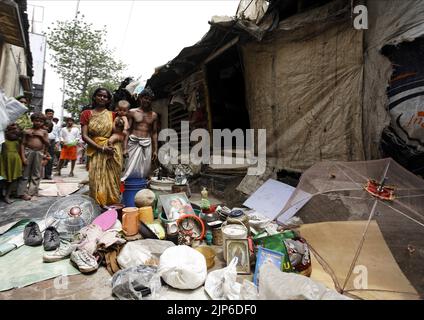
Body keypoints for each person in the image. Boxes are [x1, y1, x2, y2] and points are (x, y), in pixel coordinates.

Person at [80, 88, 123, 207]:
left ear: (108, 100)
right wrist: (101, 148)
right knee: (96, 179)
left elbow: (119, 134)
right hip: (95, 149)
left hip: (112, 150)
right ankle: (98, 206)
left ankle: (112, 206)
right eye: (99, 95)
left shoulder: (113, 115)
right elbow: (84, 136)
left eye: (105, 97)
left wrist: (111, 142)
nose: (102, 98)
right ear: (94, 97)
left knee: (112, 180)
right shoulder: (86, 113)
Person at [122, 87, 158, 180]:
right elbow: (127, 130)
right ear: (140, 98)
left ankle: (141, 189)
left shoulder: (154, 115)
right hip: (133, 142)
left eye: (150, 99)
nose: (147, 100)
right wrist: (125, 148)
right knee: (129, 167)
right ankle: (127, 189)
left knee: (145, 169)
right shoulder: (132, 112)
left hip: (147, 143)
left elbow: (154, 133)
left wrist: (155, 150)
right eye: (145, 98)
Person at [17, 112, 51, 200]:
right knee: (25, 173)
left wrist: (41, 137)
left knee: (36, 173)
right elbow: (23, 144)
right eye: (36, 121)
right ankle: (22, 192)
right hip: (28, 152)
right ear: (32, 121)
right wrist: (23, 157)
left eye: (41, 121)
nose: (38, 123)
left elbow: (47, 144)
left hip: (39, 153)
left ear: (43, 122)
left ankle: (32, 192)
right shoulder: (27, 131)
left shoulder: (44, 132)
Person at [0, 124, 23, 203]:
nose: (14, 135)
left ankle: (7, 196)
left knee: (12, 180)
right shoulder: (2, 140)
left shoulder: (18, 141)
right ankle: (2, 194)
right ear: (6, 132)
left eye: (16, 134)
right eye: (11, 132)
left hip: (14, 162)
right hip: (3, 162)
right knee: (2, 179)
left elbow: (20, 151)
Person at [43, 109, 57, 179]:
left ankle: (48, 174)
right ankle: (42, 174)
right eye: (49, 113)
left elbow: (57, 134)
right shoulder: (42, 122)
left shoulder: (55, 124)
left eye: (52, 114)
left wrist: (57, 143)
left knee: (50, 158)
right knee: (42, 157)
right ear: (45, 114)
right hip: (43, 141)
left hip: (52, 141)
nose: (50, 115)